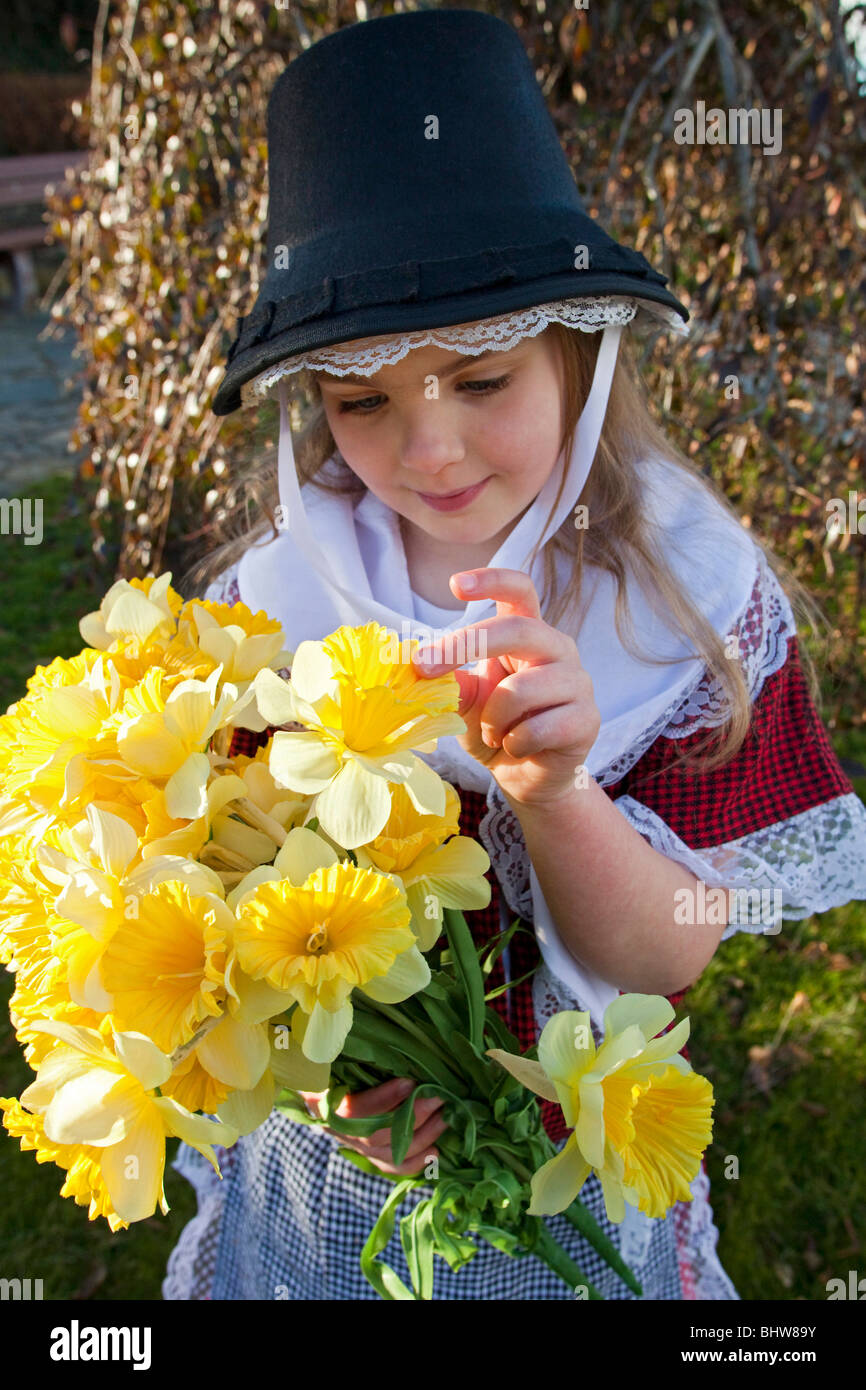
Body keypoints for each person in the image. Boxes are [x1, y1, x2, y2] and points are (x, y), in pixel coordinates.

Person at [163, 10, 866, 1300]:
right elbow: (214, 936)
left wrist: (556, 793)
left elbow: (669, 954)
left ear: (579, 356)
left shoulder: (684, 601)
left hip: (581, 1146)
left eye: (483, 380)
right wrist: (316, 1089)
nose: (429, 455)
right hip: (340, 1181)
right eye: (362, 401)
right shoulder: (263, 610)